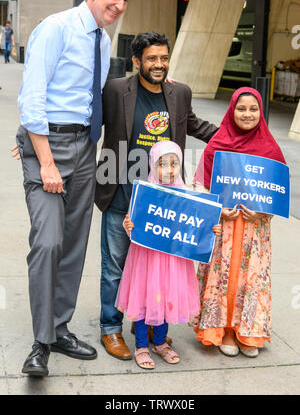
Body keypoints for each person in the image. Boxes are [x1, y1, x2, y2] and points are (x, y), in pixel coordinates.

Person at [16, 0, 135, 377]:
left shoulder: (102, 39)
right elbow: (32, 97)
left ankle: (59, 328)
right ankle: (39, 342)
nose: (118, 5)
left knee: (73, 245)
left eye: (125, 0)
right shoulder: (56, 28)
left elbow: (89, 99)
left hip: (84, 146)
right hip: (50, 145)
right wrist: (42, 157)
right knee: (47, 242)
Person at [95, 31, 219, 360]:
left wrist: (235, 140)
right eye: (151, 58)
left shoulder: (179, 92)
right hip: (122, 193)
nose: (159, 64)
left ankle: (147, 322)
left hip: (164, 200)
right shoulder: (116, 89)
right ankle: (111, 328)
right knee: (115, 267)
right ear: (137, 61)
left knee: (155, 267)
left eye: (163, 58)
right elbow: (89, 121)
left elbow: (195, 125)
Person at [193, 87, 286, 358]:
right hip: (226, 226)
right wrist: (219, 210)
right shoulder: (217, 144)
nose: (247, 114)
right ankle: (225, 330)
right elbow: (200, 183)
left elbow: (277, 191)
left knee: (250, 279)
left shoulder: (270, 147)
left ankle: (248, 331)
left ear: (261, 113)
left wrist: (264, 213)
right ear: (231, 111)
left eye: (253, 109)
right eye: (241, 109)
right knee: (226, 279)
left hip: (254, 229)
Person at [116, 140, 221, 369]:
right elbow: (133, 222)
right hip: (147, 260)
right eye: (163, 164)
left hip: (173, 262)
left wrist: (211, 228)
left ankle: (161, 342)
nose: (170, 169)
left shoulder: (186, 194)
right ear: (154, 165)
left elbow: (197, 225)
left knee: (168, 298)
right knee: (145, 298)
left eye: (175, 164)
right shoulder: (146, 192)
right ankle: (141, 344)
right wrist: (129, 224)